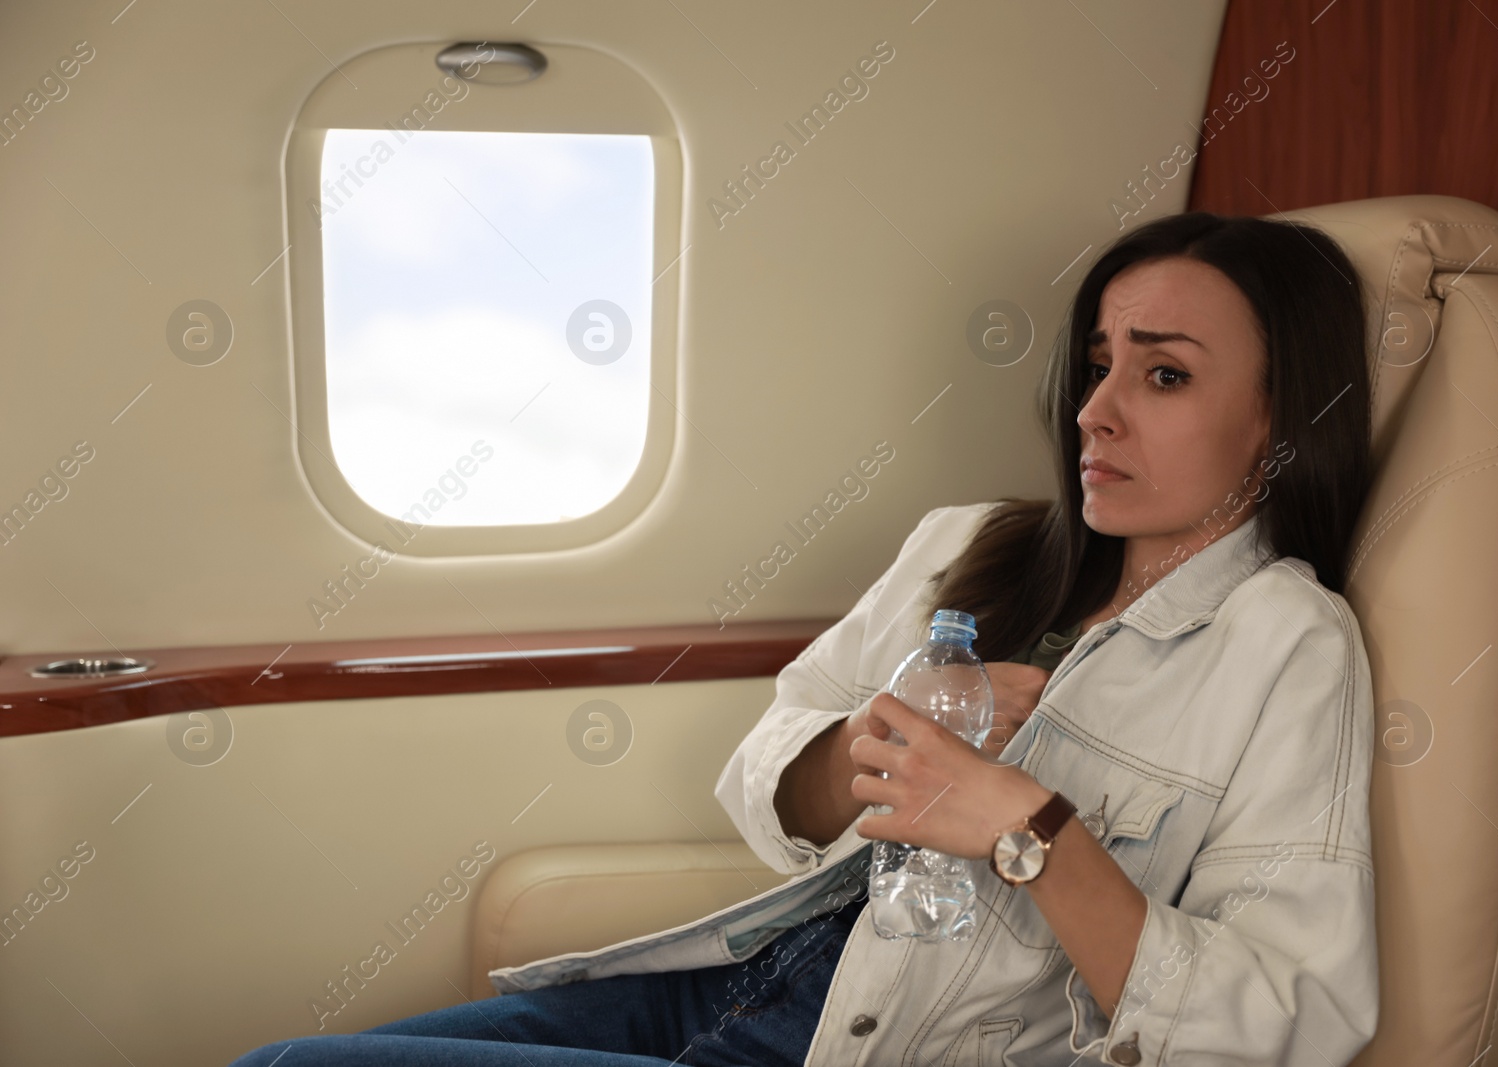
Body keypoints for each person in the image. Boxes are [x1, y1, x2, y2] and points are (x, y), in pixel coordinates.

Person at [229, 209, 1379, 1066]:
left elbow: (1288, 1016)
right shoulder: (969, 545)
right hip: (756, 980)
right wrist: (856, 758)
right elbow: (765, 760)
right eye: (1096, 365)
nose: (1094, 409)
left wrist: (1025, 829)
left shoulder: (1287, 645)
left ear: (1279, 417)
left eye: (1162, 373)